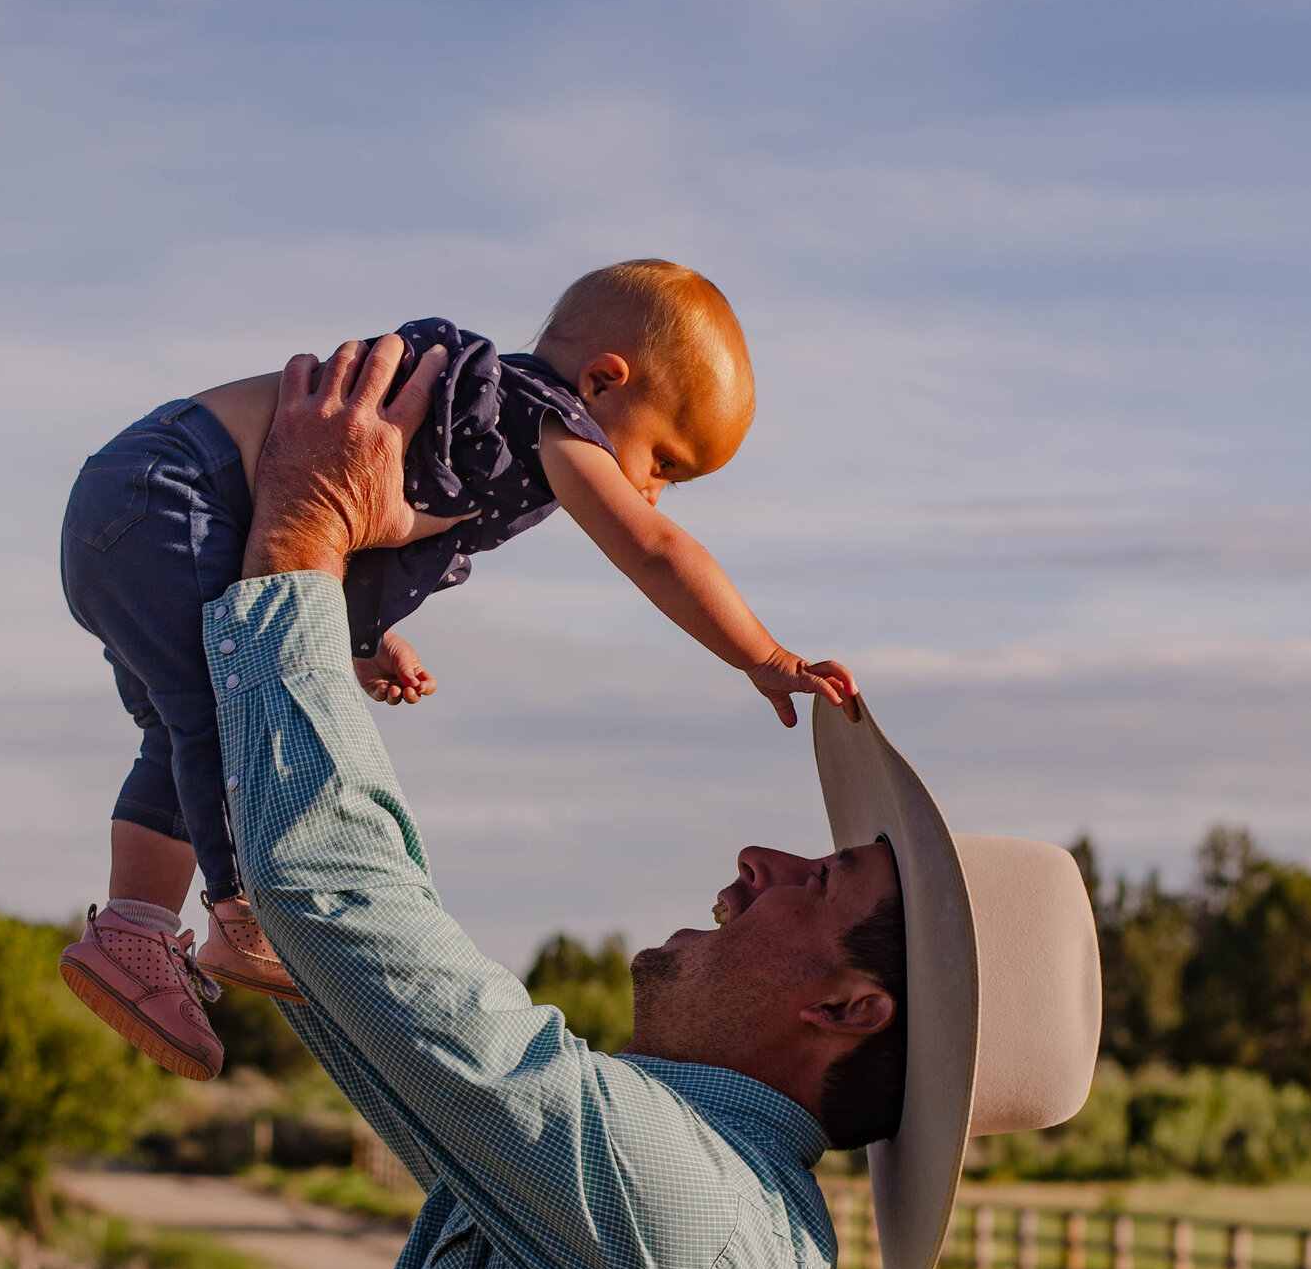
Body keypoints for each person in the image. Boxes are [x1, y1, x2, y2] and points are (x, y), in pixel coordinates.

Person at [214, 333, 1103, 1269]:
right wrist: (307, 961)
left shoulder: (686, 1206)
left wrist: (305, 531)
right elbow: (366, 973)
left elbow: (338, 889)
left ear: (854, 1006)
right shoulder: (694, 1200)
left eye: (819, 878)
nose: (756, 863)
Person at [56, 261, 858, 1080]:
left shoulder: (490, 428)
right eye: (665, 462)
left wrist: (368, 638)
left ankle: (134, 930)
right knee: (223, 715)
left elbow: (360, 524)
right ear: (606, 381)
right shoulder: (550, 416)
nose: (654, 496)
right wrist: (762, 655)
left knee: (180, 731)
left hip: (133, 508)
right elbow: (654, 554)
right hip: (175, 494)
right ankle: (241, 911)